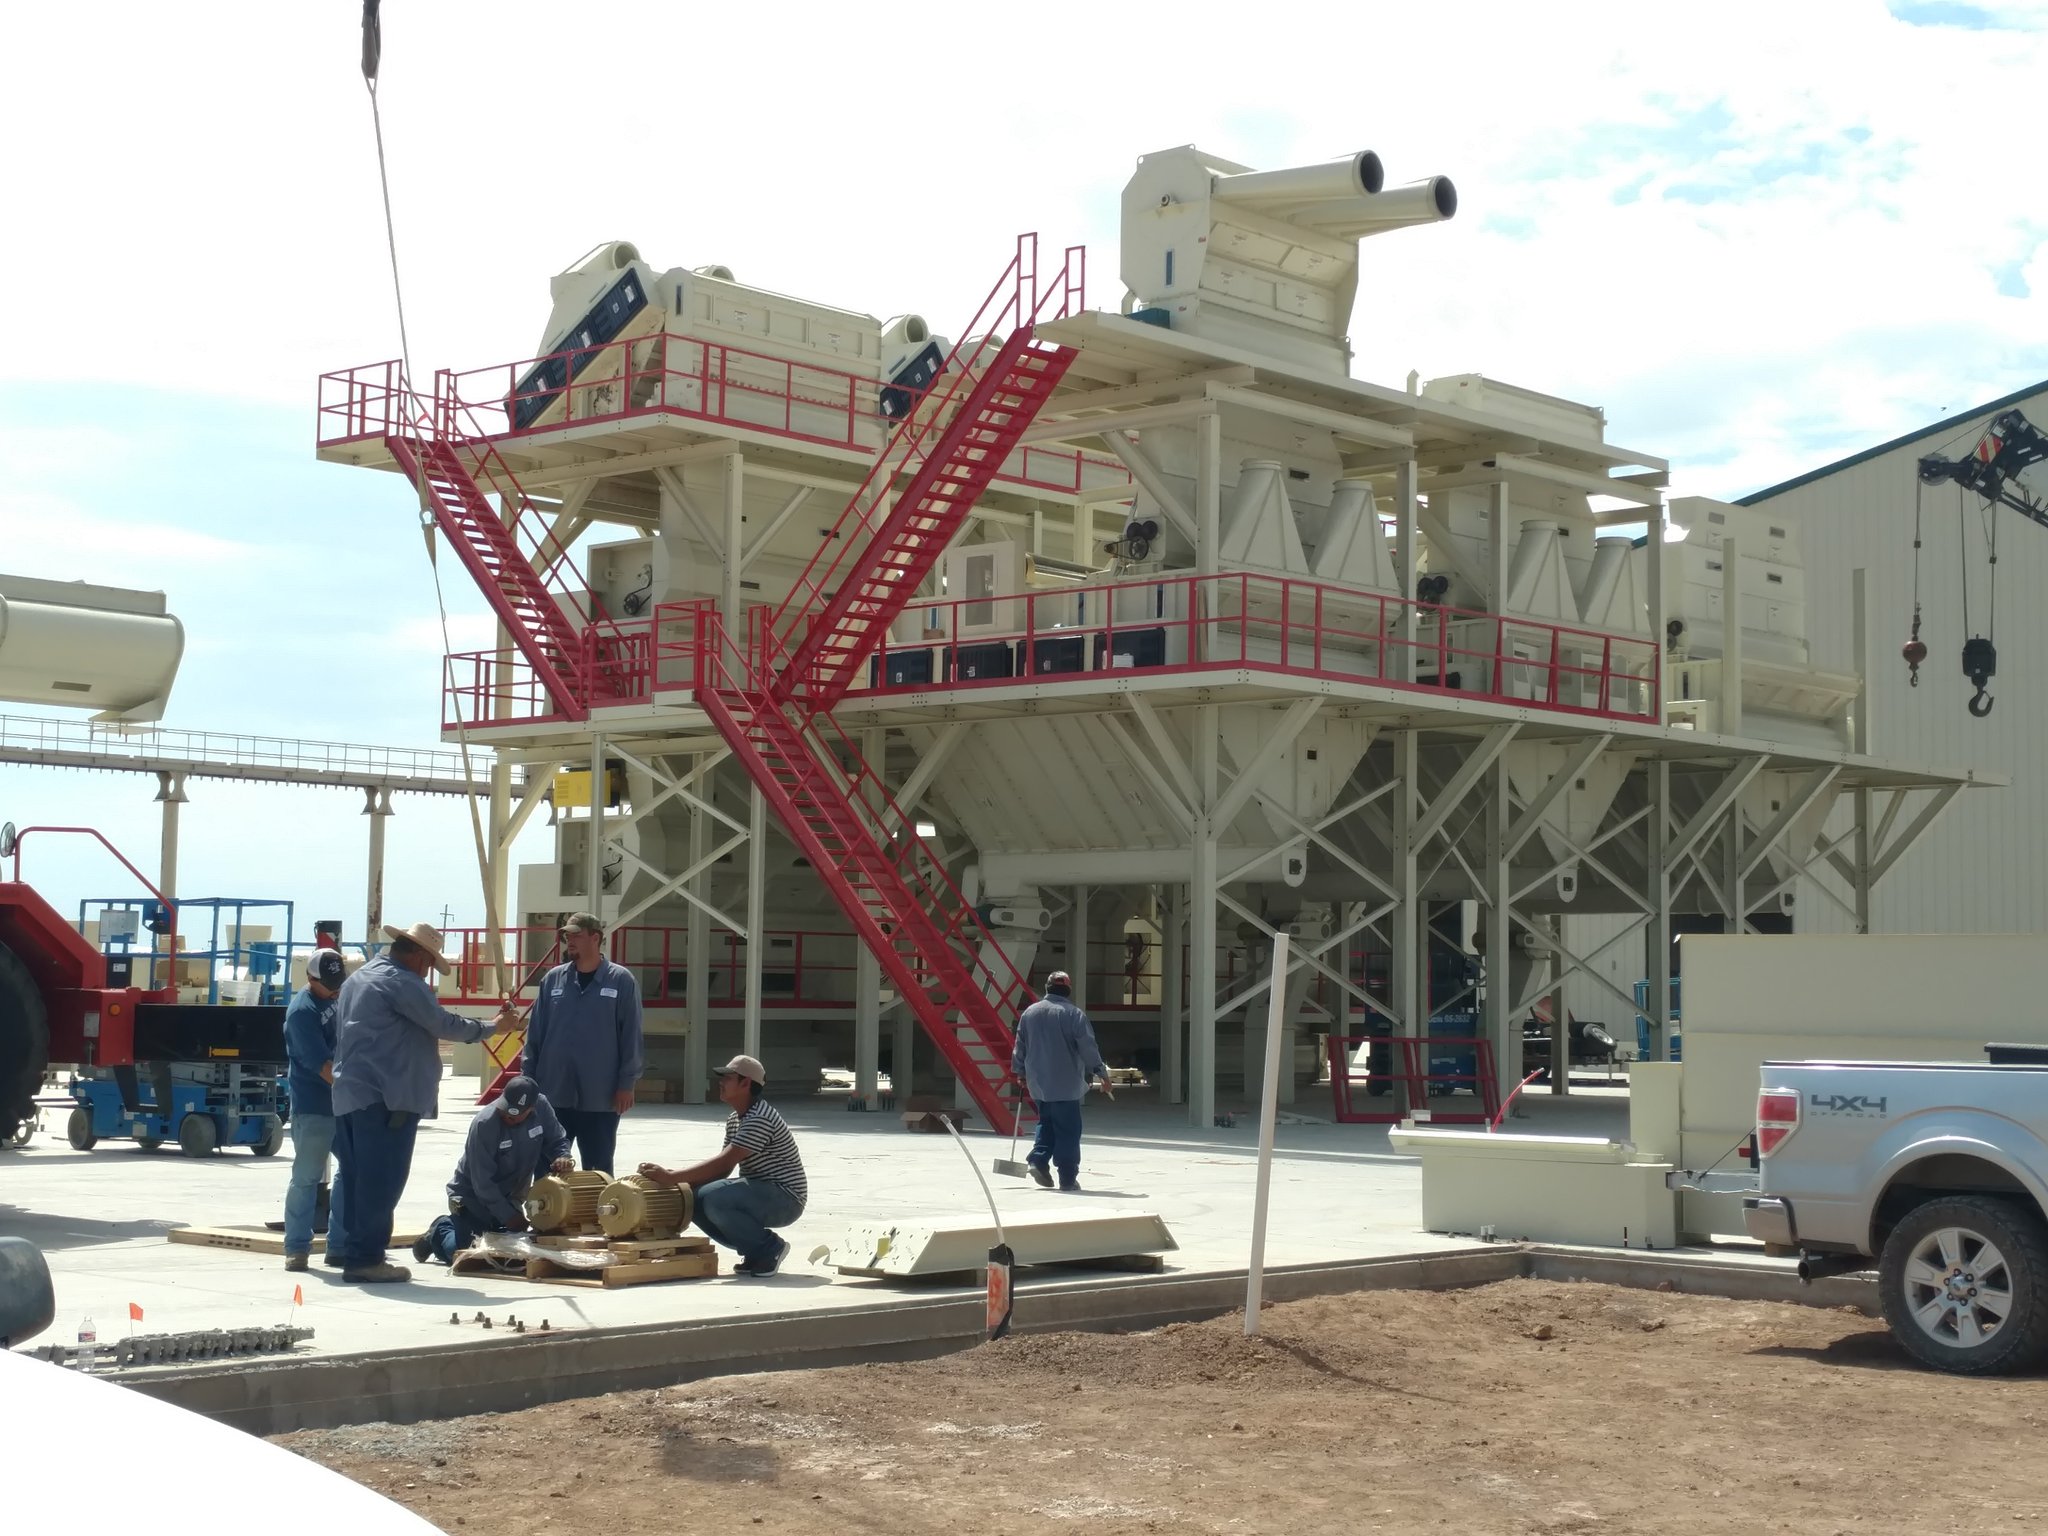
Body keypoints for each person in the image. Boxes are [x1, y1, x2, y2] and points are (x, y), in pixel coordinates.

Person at [328, 921, 519, 1284]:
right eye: (429, 963)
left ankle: (353, 1251)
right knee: (382, 1181)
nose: (428, 971)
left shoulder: (360, 978)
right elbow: (444, 1024)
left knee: (357, 1178)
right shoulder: (402, 983)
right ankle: (365, 1258)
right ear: (418, 955)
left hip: (351, 1095)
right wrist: (494, 1026)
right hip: (388, 1098)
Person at [638, 1054, 805, 1278]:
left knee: (716, 1200)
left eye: (727, 1078)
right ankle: (755, 1252)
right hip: (761, 1191)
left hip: (785, 1199)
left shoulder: (759, 1118)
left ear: (745, 1083)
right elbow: (723, 1170)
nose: (720, 1082)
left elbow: (725, 1161)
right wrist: (680, 1186)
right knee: (694, 1200)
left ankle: (769, 1249)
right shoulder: (736, 1118)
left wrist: (672, 1177)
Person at [520, 912, 642, 1175]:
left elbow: (631, 1035)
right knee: (545, 1169)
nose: (569, 941)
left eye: (576, 935)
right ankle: (548, 1217)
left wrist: (626, 1084)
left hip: (600, 1097)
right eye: (567, 936)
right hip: (553, 1094)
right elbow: (536, 1033)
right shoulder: (553, 980)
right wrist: (528, 1083)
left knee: (597, 1171)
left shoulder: (620, 981)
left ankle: (596, 1217)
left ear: (595, 938)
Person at [413, 1075, 573, 1266]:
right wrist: (509, 1217)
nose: (508, 1117)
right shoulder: (485, 1124)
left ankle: (495, 1226)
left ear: (531, 1108)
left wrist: (562, 1156)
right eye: (506, 1112)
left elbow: (557, 1140)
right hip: (473, 1200)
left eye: (515, 1116)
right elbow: (482, 1183)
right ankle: (441, 1229)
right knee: (467, 1255)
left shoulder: (542, 1107)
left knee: (512, 1254)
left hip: (511, 1198)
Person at [280, 947, 351, 1273]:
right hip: (315, 1106)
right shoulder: (302, 1013)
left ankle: (338, 1246)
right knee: (306, 1177)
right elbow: (322, 1066)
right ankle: (296, 1248)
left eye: (339, 982)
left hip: (345, 1103)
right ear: (310, 978)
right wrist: (356, 1087)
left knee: (351, 1173)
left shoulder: (337, 995)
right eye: (330, 984)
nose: (336, 989)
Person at [1011, 970, 1108, 1192]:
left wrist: (1019, 1072)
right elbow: (1088, 1047)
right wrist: (1100, 1072)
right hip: (1066, 1085)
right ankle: (1067, 1178)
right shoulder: (1074, 1014)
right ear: (1068, 990)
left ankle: (1038, 1160)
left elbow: (1020, 1045)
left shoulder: (1029, 1013)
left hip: (1038, 1083)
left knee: (1045, 1123)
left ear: (1047, 988)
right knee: (1068, 1130)